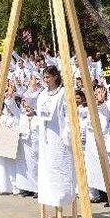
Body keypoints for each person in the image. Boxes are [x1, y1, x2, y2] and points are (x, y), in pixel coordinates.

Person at [36, 66, 76, 209]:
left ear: (55, 77)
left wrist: (68, 135)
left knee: (60, 165)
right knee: (48, 167)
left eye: (48, 77)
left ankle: (63, 195)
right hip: (46, 136)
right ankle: (49, 195)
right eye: (44, 77)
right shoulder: (43, 94)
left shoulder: (63, 93)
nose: (46, 80)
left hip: (59, 136)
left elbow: (68, 115)